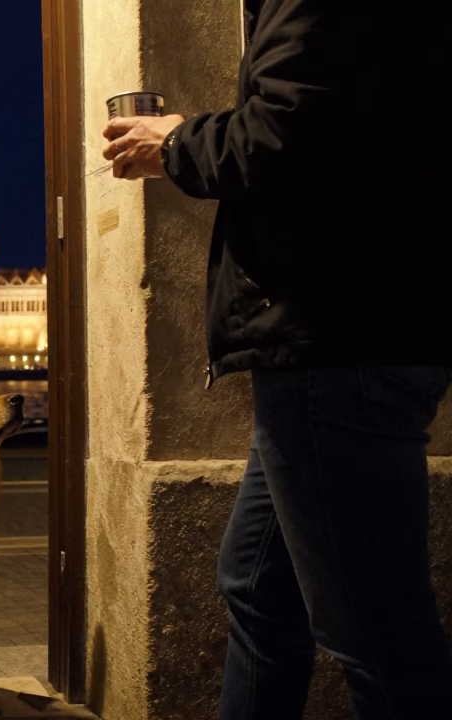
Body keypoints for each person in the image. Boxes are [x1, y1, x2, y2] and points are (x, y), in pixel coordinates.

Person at [102, 2, 452, 718]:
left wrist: (176, 142)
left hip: (335, 340)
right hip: (349, 333)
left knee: (377, 635)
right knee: (258, 588)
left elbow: (289, 137)